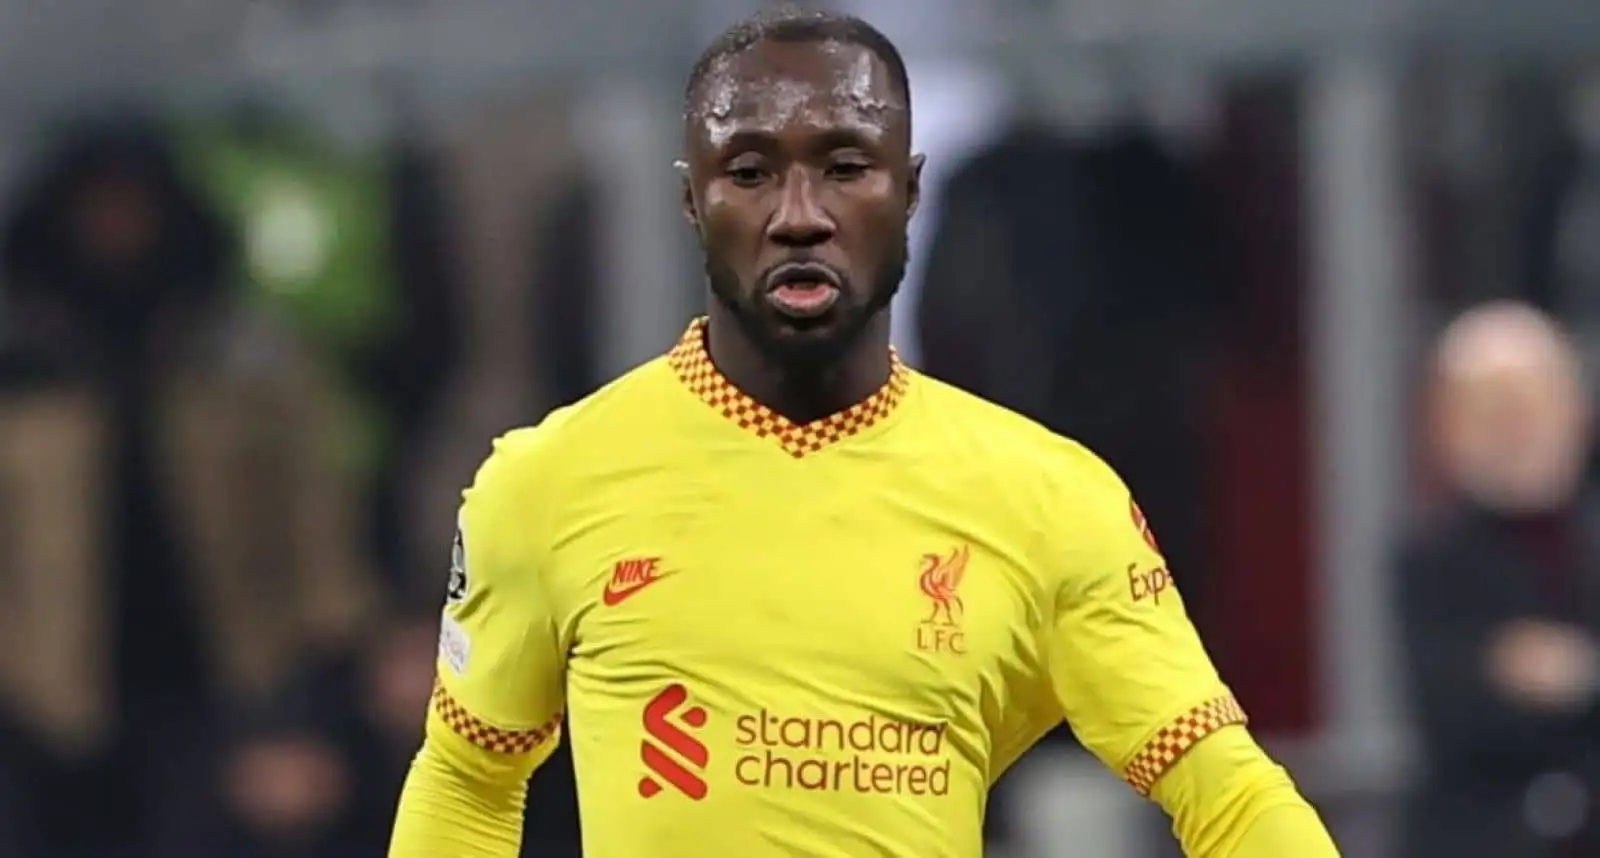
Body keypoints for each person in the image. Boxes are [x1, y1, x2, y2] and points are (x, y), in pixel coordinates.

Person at [388, 7, 1338, 857]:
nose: (800, 216)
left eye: (845, 167)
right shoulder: (548, 481)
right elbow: (469, 784)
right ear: (692, 200)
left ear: (909, 190)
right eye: (751, 171)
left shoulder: (1051, 499)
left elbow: (1225, 791)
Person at [1397, 301, 1600, 857]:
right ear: (1445, 425)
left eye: (1532, 405)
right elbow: (1452, 713)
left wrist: (1569, 675)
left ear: (1577, 410)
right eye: (1492, 410)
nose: (1517, 429)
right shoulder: (1428, 556)